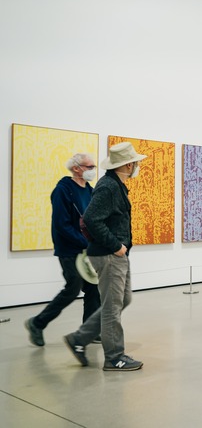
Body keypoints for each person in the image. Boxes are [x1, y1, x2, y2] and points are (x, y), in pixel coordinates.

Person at [63, 142, 146, 371]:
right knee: (111, 307)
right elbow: (91, 218)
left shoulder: (117, 185)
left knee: (122, 300)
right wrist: (115, 245)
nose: (137, 166)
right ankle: (114, 357)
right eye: (135, 163)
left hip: (117, 254)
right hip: (109, 255)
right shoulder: (108, 186)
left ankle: (79, 338)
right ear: (128, 165)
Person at [24, 153, 101, 347]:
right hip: (69, 249)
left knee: (93, 288)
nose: (93, 170)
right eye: (89, 167)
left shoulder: (89, 190)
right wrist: (85, 243)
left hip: (85, 249)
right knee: (73, 288)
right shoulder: (62, 190)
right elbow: (61, 225)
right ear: (76, 168)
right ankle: (37, 323)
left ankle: (88, 331)